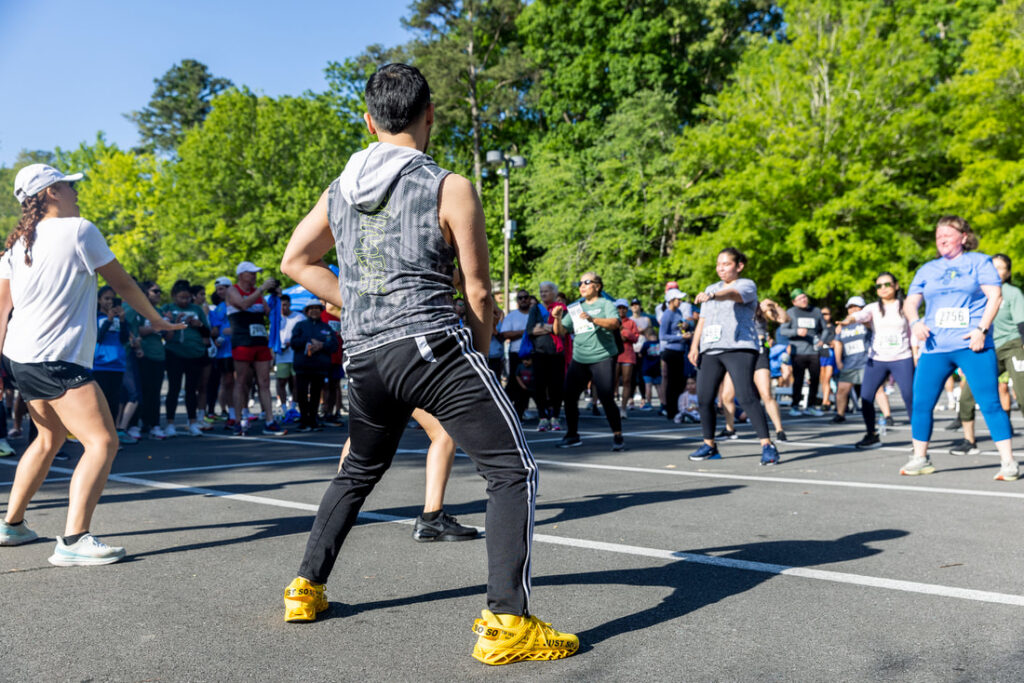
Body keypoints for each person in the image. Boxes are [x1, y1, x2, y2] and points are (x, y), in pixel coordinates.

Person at [278, 64, 576, 663]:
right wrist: (481, 351)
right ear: (430, 114)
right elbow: (479, 291)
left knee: (357, 471)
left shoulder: (339, 189)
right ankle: (508, 622)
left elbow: (295, 261)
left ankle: (305, 589)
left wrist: (359, 302)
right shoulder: (449, 185)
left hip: (364, 355)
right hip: (430, 346)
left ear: (369, 122)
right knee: (511, 470)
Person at [0, 163, 183, 561]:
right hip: (55, 357)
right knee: (102, 441)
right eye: (68, 185)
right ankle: (73, 541)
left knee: (48, 439)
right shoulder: (79, 230)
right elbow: (124, 284)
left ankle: (11, 526)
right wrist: (157, 320)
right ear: (51, 192)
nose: (75, 190)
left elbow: (1, 311)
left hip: (21, 357)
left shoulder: (16, 246)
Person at [901, 216, 1019, 480]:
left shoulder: (979, 262)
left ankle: (1008, 462)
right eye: (938, 235)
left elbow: (995, 296)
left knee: (990, 402)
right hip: (935, 347)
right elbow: (910, 303)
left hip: (972, 345)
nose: (941, 238)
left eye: (947, 234)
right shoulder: (928, 269)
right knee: (921, 403)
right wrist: (915, 322)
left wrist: (982, 330)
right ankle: (920, 458)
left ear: (964, 237)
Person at [687, 248, 779, 465]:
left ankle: (767, 445)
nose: (721, 268)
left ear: (739, 266)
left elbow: (732, 294)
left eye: (726, 264)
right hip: (711, 348)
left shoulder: (746, 285)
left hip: (739, 347)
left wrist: (713, 295)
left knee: (746, 396)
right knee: (704, 398)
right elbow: (703, 320)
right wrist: (694, 346)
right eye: (718, 264)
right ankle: (709, 445)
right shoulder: (711, 288)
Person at [950, 254, 1024, 456]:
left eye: (1001, 268)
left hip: (1012, 345)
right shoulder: (976, 292)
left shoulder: (1012, 293)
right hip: (985, 347)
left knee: (1022, 394)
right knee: (967, 396)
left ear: (1008, 272)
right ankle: (969, 441)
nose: (996, 271)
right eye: (993, 267)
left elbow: (1022, 324)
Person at [836, 272, 915, 450]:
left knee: (909, 397)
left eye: (887, 284)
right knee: (866, 397)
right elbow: (859, 316)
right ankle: (871, 435)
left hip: (902, 357)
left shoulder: (905, 306)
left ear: (896, 285)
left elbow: (913, 331)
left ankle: (918, 437)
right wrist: (848, 320)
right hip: (877, 359)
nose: (883, 288)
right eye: (879, 286)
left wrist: (916, 354)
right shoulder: (872, 308)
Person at [552, 273, 625, 451]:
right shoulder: (576, 307)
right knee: (569, 396)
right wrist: (557, 318)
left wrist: (593, 319)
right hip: (580, 358)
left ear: (597, 286)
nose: (582, 286)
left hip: (602, 356)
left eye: (587, 282)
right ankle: (572, 435)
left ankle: (617, 435)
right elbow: (560, 332)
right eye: (580, 283)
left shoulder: (606, 304)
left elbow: (615, 323)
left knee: (606, 397)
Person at [226, 262, 286, 436]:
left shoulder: (258, 294)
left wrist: (276, 297)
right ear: (241, 275)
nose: (254, 276)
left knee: (264, 382)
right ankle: (238, 421)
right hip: (242, 341)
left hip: (260, 342)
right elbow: (243, 304)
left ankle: (269, 420)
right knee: (241, 381)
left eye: (255, 273)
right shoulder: (233, 290)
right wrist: (261, 289)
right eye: (250, 273)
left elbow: (269, 313)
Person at [719, 298, 790, 441]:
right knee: (727, 395)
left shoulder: (759, 309)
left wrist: (774, 305)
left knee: (766, 394)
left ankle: (779, 430)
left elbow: (784, 319)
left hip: (758, 352)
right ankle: (729, 429)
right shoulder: (731, 309)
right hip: (738, 352)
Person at [162, 279, 211, 437]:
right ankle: (170, 423)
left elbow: (207, 332)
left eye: (187, 298)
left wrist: (199, 324)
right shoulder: (168, 309)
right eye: (181, 298)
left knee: (192, 389)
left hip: (194, 354)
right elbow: (164, 333)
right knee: (174, 388)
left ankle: (193, 422)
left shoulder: (196, 309)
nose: (185, 301)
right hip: (174, 353)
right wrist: (174, 323)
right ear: (174, 296)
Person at [127, 281, 171, 440]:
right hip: (142, 356)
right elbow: (134, 330)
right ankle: (134, 425)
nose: (158, 294)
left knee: (155, 392)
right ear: (145, 293)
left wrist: (169, 323)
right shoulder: (137, 310)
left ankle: (154, 424)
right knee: (140, 392)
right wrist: (155, 327)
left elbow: (168, 335)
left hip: (159, 355)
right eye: (155, 291)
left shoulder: (160, 312)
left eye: (159, 291)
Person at [92, 286, 133, 444]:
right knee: (100, 403)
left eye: (112, 299)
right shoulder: (95, 317)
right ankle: (99, 437)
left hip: (117, 364)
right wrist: (108, 320)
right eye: (106, 298)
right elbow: (98, 337)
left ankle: (112, 435)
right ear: (99, 300)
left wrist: (122, 320)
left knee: (114, 402)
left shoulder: (119, 318)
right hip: (100, 364)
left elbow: (124, 339)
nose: (109, 302)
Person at [289, 301, 337, 431]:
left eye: (317, 308)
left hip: (320, 367)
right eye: (311, 308)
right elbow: (293, 343)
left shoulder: (327, 327)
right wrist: (308, 342)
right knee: (302, 393)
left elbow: (334, 345)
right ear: (306, 311)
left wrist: (322, 345)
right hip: (302, 366)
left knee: (316, 394)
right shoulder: (300, 325)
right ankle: (304, 420)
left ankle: (313, 420)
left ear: (321, 311)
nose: (314, 310)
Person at [779, 289, 827, 417]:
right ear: (794, 302)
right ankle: (795, 406)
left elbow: (825, 329)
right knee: (798, 380)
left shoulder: (816, 311)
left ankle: (811, 406)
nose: (804, 300)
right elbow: (783, 331)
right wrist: (796, 331)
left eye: (804, 297)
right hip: (798, 352)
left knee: (815, 379)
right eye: (800, 298)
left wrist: (822, 340)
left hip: (813, 351)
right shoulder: (791, 312)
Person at [526, 281, 567, 432]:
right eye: (541, 291)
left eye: (546, 291)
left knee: (556, 386)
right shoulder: (535, 309)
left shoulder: (561, 309)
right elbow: (531, 330)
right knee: (539, 386)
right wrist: (550, 327)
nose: (543, 294)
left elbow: (561, 331)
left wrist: (542, 326)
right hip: (539, 353)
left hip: (557, 353)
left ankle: (555, 416)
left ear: (554, 293)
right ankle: (542, 417)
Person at [830, 297, 872, 425]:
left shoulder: (868, 321)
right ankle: (840, 414)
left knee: (877, 390)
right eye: (850, 307)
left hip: (867, 361)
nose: (853, 309)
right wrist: (838, 361)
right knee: (842, 389)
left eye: (856, 306)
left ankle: (887, 415)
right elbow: (838, 343)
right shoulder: (843, 325)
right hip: (849, 362)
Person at [497, 289, 532, 419]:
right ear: (517, 301)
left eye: (525, 297)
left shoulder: (535, 314)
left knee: (529, 384)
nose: (523, 300)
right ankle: (503, 411)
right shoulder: (512, 316)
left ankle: (520, 413)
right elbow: (505, 334)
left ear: (529, 299)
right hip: (516, 353)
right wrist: (525, 332)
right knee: (513, 383)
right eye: (520, 298)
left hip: (533, 354)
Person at [206, 277, 236, 425]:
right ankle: (231, 413)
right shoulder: (219, 308)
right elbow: (214, 329)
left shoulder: (239, 303)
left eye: (222, 289)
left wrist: (235, 330)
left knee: (243, 381)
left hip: (240, 347)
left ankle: (243, 411)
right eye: (218, 290)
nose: (219, 292)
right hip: (225, 352)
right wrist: (217, 337)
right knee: (228, 382)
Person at [660, 289, 691, 421]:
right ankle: (671, 411)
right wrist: (680, 337)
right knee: (672, 383)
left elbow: (679, 328)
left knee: (680, 382)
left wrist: (685, 327)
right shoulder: (667, 314)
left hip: (680, 351)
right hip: (671, 352)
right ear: (671, 301)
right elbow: (663, 336)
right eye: (678, 299)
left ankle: (678, 409)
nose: (680, 301)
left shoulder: (678, 312)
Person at [275, 294, 304, 418]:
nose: (283, 308)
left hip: (296, 355)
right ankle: (283, 408)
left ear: (290, 304)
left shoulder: (299, 317)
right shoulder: (276, 318)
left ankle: (293, 406)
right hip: (281, 356)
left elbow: (304, 334)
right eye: (281, 305)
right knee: (281, 381)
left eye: (285, 305)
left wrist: (292, 342)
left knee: (296, 381)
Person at [614, 299, 640, 418]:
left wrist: (624, 332)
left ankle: (623, 408)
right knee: (612, 381)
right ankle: (612, 407)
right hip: (614, 354)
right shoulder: (612, 321)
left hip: (627, 355)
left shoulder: (631, 322)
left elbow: (635, 338)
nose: (621, 310)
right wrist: (623, 336)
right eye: (619, 308)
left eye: (624, 308)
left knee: (626, 381)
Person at [819, 306, 837, 410]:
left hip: (831, 355)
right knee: (823, 379)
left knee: (827, 378)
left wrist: (833, 343)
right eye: (822, 314)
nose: (824, 316)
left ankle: (825, 401)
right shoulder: (819, 329)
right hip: (821, 354)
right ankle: (827, 400)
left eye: (826, 314)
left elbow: (836, 342)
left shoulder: (834, 329)